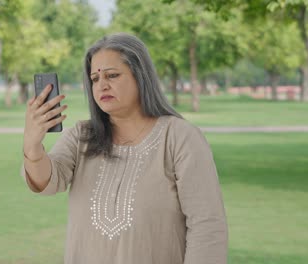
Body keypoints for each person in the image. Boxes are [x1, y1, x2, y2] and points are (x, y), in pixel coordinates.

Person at [21, 33, 228, 264]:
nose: (102, 85)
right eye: (95, 79)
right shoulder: (82, 136)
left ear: (140, 76)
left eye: (112, 75)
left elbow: (207, 226)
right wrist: (32, 144)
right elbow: (46, 183)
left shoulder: (179, 137)